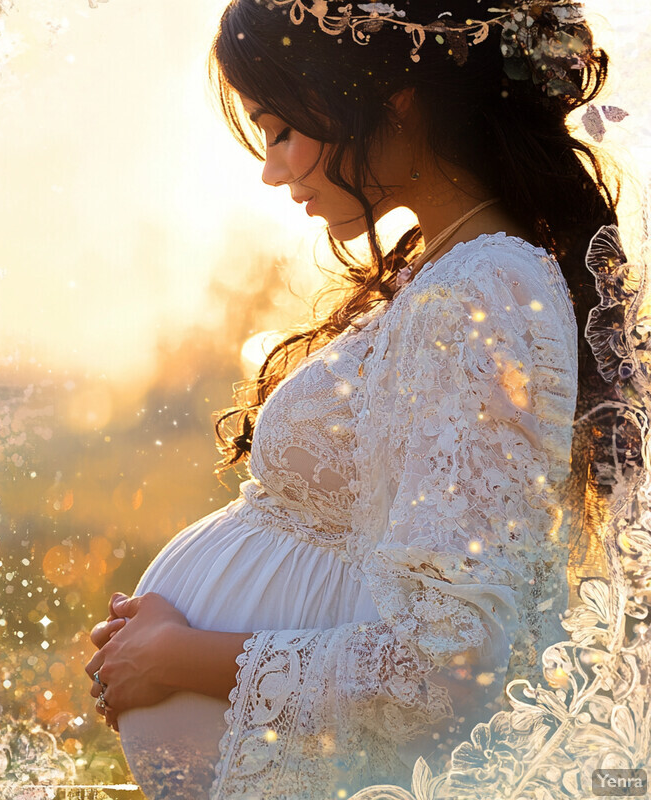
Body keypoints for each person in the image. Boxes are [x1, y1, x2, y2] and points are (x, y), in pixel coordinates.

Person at [84, 1, 630, 797]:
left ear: (392, 100)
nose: (273, 168)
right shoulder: (455, 272)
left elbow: (448, 668)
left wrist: (176, 658)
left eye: (280, 128)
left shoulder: (487, 292)